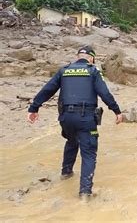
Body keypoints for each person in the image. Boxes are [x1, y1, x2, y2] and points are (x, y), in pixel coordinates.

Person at [27, 45, 123, 201]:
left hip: (66, 118)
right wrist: (117, 111)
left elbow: (47, 90)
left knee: (72, 142)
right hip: (86, 118)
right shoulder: (93, 71)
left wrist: (34, 108)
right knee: (89, 153)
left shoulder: (64, 70)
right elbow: (104, 93)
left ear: (78, 56)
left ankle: (66, 173)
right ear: (91, 58)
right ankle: (85, 193)